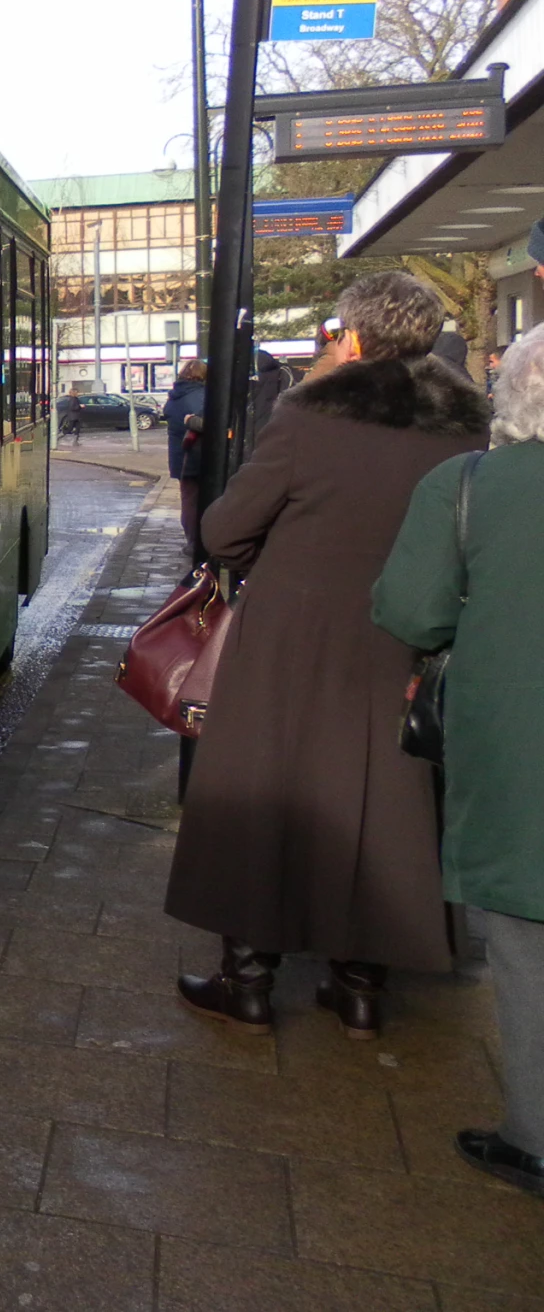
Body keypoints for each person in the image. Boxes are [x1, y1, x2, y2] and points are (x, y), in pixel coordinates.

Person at [165, 272, 489, 1036]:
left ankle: (248, 979)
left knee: (265, 792)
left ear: (351, 336)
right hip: (405, 644)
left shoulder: (309, 416)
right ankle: (360, 986)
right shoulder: (465, 425)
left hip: (291, 640)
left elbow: (225, 532)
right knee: (383, 803)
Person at [372, 326, 544, 1198]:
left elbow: (412, 610)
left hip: (520, 756)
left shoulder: (469, 487)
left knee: (524, 946)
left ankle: (535, 1137)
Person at [161, 359, 208, 564]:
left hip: (181, 457)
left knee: (188, 501)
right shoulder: (200, 395)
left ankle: (191, 541)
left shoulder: (174, 396)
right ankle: (200, 543)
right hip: (200, 456)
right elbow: (208, 424)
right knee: (203, 501)